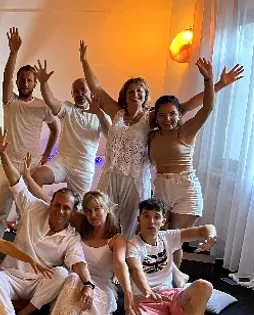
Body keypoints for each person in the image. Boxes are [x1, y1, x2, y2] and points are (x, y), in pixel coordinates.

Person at [80, 41, 244, 238]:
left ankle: (127, 254)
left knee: (131, 225)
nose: (135, 94)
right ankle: (103, 252)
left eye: (139, 91)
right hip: (111, 173)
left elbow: (190, 105)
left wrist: (218, 84)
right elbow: (97, 89)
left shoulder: (152, 116)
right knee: (104, 218)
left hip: (135, 177)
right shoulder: (117, 112)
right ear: (125, 95)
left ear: (145, 95)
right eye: (131, 91)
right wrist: (84, 61)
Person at [0, 128, 92, 315]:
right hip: (12, 275)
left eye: (66, 208)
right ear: (50, 203)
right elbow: (16, 182)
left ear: (73, 212)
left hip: (38, 284)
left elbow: (78, 262)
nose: (60, 211)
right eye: (57, 205)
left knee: (62, 273)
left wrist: (88, 284)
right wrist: (2, 153)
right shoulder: (34, 207)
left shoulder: (71, 238)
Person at [44, 191, 134, 315]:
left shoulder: (117, 239)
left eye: (98, 209)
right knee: (71, 278)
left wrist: (128, 294)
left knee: (98, 297)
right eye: (88, 210)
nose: (93, 215)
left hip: (102, 285)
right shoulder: (81, 225)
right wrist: (26, 178)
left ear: (107, 208)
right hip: (77, 280)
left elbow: (120, 265)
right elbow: (52, 202)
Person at [125, 198, 224, 315]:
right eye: (146, 216)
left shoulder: (168, 236)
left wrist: (211, 236)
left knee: (204, 286)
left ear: (163, 221)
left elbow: (206, 228)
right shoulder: (133, 245)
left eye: (156, 217)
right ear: (139, 219)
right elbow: (135, 270)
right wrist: (147, 289)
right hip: (145, 301)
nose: (151, 221)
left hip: (171, 296)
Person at [149, 58, 223, 266]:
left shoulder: (186, 130)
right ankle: (159, 276)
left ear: (179, 114)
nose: (167, 119)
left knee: (173, 238)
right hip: (161, 187)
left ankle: (172, 281)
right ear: (156, 117)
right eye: (162, 115)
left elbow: (207, 107)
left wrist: (209, 80)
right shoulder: (152, 135)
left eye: (172, 114)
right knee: (157, 236)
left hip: (185, 188)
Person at [0, 28, 60, 237]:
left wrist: (46, 155)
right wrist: (14, 52)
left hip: (31, 166)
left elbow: (55, 129)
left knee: (28, 213)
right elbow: (6, 80)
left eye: (29, 80)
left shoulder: (42, 106)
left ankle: (24, 250)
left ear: (35, 83)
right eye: (22, 80)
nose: (25, 83)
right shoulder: (10, 102)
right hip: (8, 163)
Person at [32, 59, 110, 197]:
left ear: (90, 92)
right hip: (62, 160)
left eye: (83, 90)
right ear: (72, 95)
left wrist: (99, 112)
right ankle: (43, 207)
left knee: (78, 206)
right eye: (76, 91)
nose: (80, 94)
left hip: (84, 167)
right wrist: (43, 83)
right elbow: (51, 102)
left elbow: (110, 134)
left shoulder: (100, 113)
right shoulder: (68, 109)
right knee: (37, 176)